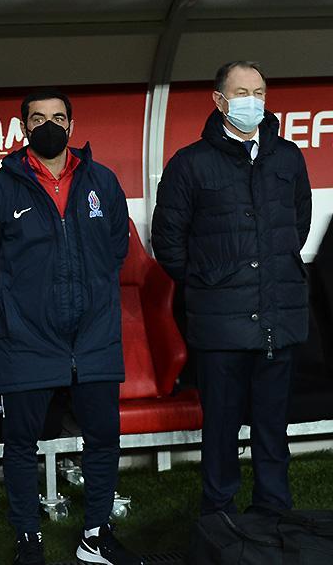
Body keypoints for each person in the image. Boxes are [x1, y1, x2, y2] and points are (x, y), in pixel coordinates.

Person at [0, 88, 142, 565]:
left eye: (59, 118)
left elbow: (115, 249)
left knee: (103, 439)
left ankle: (95, 537)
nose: (49, 125)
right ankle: (29, 540)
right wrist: (20, 307)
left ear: (71, 126)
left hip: (94, 337)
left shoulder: (101, 181)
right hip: (26, 340)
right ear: (24, 127)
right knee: (20, 444)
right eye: (39, 118)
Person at [152, 61, 312, 516]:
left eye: (259, 92)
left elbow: (296, 226)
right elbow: (168, 242)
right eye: (242, 93)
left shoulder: (288, 156)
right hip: (220, 326)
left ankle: (274, 515)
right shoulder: (190, 163)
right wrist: (210, 282)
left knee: (272, 428)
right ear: (219, 101)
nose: (252, 101)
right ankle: (219, 517)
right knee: (220, 429)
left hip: (278, 317)